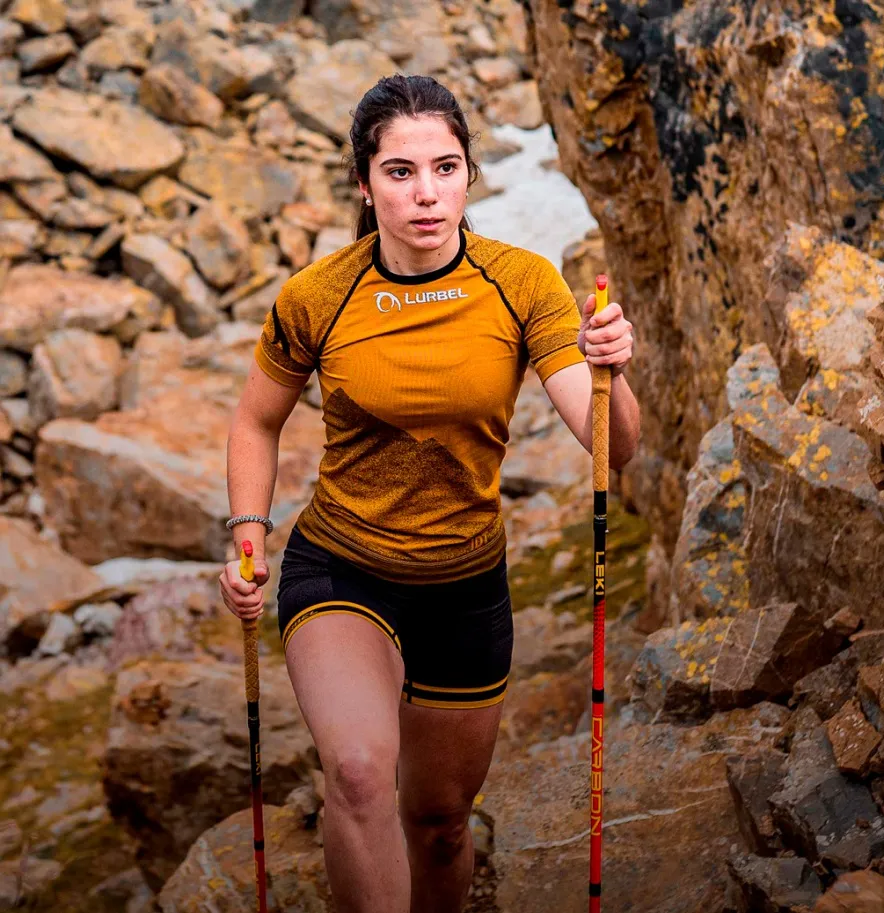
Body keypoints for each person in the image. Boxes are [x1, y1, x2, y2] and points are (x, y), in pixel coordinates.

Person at [220, 74, 641, 913]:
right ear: (363, 182)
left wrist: (611, 374)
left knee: (441, 821)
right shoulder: (318, 294)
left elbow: (612, 449)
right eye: (401, 172)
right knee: (361, 773)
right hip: (342, 567)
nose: (426, 193)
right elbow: (253, 422)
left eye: (445, 168)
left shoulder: (520, 284)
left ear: (470, 175)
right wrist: (247, 533)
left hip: (463, 584)